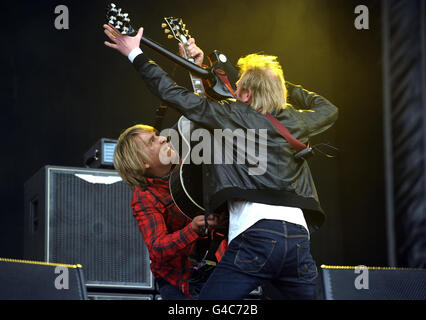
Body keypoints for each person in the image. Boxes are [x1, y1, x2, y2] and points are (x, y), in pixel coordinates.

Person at [104, 24, 338, 300]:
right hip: (299, 238)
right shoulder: (296, 121)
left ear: (247, 95)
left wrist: (136, 54)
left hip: (258, 236)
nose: (232, 91)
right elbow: (328, 108)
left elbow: (173, 93)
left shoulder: (232, 117)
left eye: (238, 87)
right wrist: (277, 84)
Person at [113, 124, 221, 299]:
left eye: (156, 134)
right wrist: (192, 229)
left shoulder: (189, 162)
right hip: (179, 280)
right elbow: (157, 248)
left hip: (217, 264)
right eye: (152, 141)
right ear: (143, 163)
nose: (163, 138)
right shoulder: (144, 197)